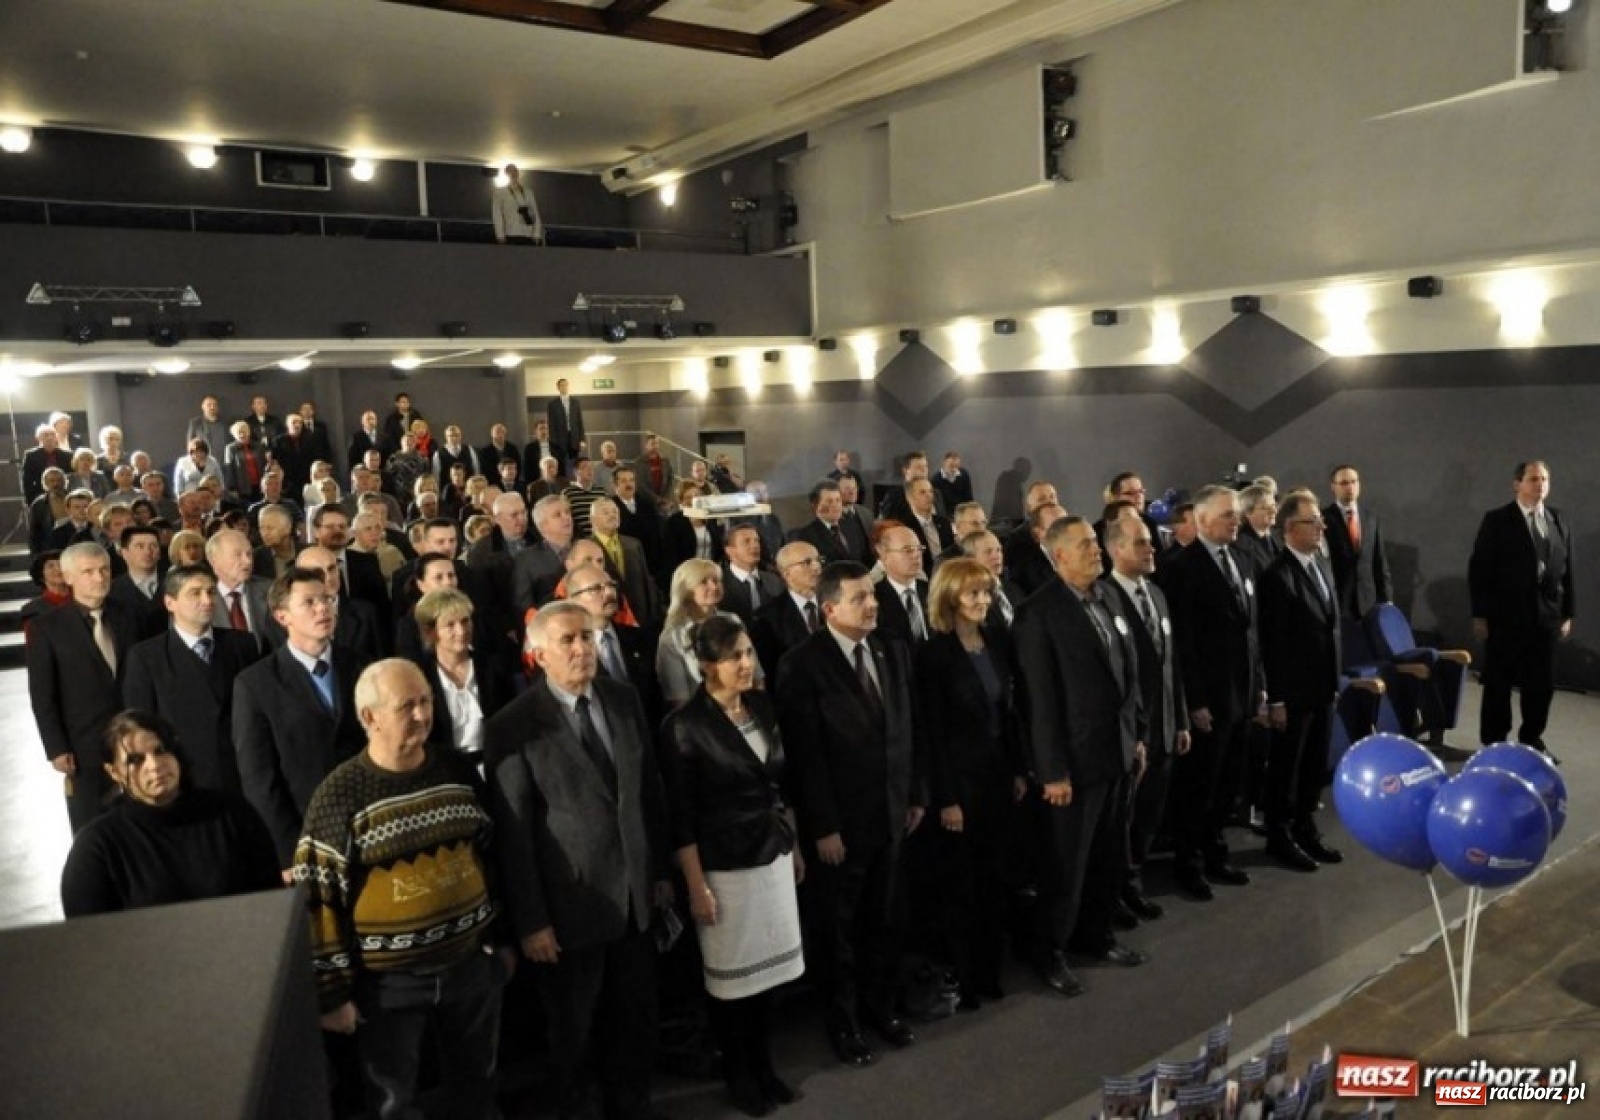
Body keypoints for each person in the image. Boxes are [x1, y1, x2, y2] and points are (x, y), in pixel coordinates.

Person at [295, 659, 512, 1120]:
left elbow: (491, 857)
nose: (421, 715)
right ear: (369, 717)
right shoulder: (338, 797)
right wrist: (332, 996)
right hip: (388, 986)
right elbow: (320, 904)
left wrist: (500, 939)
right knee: (393, 1104)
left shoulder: (456, 770)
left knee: (478, 1088)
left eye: (426, 702)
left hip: (470, 967)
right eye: (406, 706)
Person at [484, 602, 671, 1120]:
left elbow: (647, 791)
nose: (582, 649)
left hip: (635, 898)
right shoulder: (513, 726)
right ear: (538, 653)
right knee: (575, 1031)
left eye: (587, 638)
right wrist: (532, 921)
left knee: (635, 1022)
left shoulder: (625, 699)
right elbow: (515, 836)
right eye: (567, 640)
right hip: (568, 910)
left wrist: (658, 873)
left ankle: (631, 1107)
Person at [775, 561, 923, 1068]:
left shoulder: (891, 649)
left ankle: (880, 1009)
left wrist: (914, 794)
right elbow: (805, 756)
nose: (873, 604)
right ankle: (843, 1022)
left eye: (873, 596)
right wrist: (824, 827)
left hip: (891, 814)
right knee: (838, 932)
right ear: (830, 607)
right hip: (841, 826)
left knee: (885, 921)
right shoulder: (802, 663)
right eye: (860, 598)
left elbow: (907, 726)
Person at [659, 615, 805, 1117]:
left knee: (767, 979)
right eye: (733, 657)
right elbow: (681, 817)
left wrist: (795, 844)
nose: (746, 664)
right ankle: (738, 1074)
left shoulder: (763, 704)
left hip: (773, 853)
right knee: (732, 983)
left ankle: (765, 1067)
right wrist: (696, 885)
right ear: (705, 666)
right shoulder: (684, 726)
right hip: (723, 865)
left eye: (747, 653)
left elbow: (778, 785)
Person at [1013, 517, 1147, 1000]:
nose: (1096, 550)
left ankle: (1097, 936)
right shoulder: (1038, 614)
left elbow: (1128, 674)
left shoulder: (1108, 596)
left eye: (1096, 542)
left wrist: (1138, 737)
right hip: (1071, 765)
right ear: (1059, 556)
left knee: (1108, 858)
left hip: (1115, 753)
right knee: (1065, 867)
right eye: (1086, 544)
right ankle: (1050, 952)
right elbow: (1039, 701)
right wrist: (1050, 770)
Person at [917, 558, 1022, 1009]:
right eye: (973, 594)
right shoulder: (934, 655)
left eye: (986, 592)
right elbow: (932, 732)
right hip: (959, 788)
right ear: (950, 599)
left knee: (996, 877)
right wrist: (946, 798)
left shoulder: (996, 639)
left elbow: (1008, 712)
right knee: (962, 887)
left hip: (998, 777)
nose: (982, 601)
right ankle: (965, 976)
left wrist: (1018, 769)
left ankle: (990, 969)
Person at [60, 710, 279, 917]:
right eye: (135, 760)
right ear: (114, 772)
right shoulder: (96, 848)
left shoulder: (232, 813)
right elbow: (88, 940)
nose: (154, 765)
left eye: (160, 751)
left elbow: (272, 901)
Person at [1163, 485, 1262, 901]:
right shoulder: (1182, 568)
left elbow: (1251, 633)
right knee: (1200, 786)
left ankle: (1216, 851)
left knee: (1228, 783)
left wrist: (1259, 687)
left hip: (1242, 693)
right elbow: (1184, 644)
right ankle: (1188, 862)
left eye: (1235, 514)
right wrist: (1196, 701)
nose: (1234, 521)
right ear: (1202, 521)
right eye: (1226, 515)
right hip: (1210, 698)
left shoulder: (1242, 559)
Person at [233, 567, 369, 870]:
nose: (323, 608)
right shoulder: (256, 684)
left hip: (370, 825)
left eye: (327, 599)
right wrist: (287, 851)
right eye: (309, 602)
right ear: (282, 617)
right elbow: (259, 779)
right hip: (308, 835)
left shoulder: (360, 665)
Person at [1101, 516, 1187, 921]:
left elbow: (1172, 667)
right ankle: (1117, 890)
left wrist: (1181, 718)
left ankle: (1134, 882)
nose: (1152, 548)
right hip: (1131, 735)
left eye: (1151, 542)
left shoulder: (1158, 593)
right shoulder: (1104, 598)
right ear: (1116, 550)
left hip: (1166, 726)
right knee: (1122, 821)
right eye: (1141, 543)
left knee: (1149, 815)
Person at [1257, 494, 1345, 872]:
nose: (1322, 527)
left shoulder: (1321, 564)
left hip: (1322, 686)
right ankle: (1280, 835)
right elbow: (1272, 643)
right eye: (1313, 522)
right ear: (1290, 528)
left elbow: (1329, 627)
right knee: (1286, 767)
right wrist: (1274, 699)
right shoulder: (1277, 575)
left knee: (1313, 765)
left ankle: (1306, 828)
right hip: (1292, 692)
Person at [27, 542, 136, 832]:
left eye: (104, 570)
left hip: (133, 738)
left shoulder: (128, 616)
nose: (100, 578)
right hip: (82, 745)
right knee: (91, 824)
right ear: (68, 576)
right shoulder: (47, 628)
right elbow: (42, 695)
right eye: (89, 571)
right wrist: (56, 747)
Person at [123, 564, 261, 793]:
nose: (207, 600)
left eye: (210, 591)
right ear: (170, 603)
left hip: (241, 773)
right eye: (195, 593)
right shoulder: (146, 657)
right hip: (185, 777)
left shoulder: (242, 644)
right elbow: (141, 725)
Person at [1468, 459, 1575, 755]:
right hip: (1505, 618)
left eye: (1544, 478)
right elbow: (1480, 570)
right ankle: (1494, 743)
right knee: (1498, 684)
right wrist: (1480, 615)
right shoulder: (1497, 520)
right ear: (1517, 484)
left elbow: (1567, 571)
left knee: (1541, 685)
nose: (1540, 484)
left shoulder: (1558, 520)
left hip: (1546, 619)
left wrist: (1567, 613)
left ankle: (1532, 739)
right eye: (1533, 479)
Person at [413, 588, 510, 761]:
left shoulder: (493, 668)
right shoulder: (419, 676)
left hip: (496, 761)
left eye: (465, 621)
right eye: (450, 625)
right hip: (444, 767)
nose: (461, 631)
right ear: (430, 632)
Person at [657, 558, 763, 711]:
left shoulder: (733, 620)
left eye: (716, 580)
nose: (713, 586)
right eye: (704, 582)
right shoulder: (672, 637)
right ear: (685, 589)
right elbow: (678, 698)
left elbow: (757, 676)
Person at [1322, 464, 1393, 623]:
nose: (1350, 487)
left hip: (1369, 602)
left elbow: (1379, 562)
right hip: (1339, 602)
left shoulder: (1371, 519)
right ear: (1333, 487)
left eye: (1354, 482)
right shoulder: (1324, 519)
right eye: (1344, 483)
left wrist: (1387, 600)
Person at [751, 541, 822, 679]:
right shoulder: (767, 618)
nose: (817, 567)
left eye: (818, 560)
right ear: (786, 573)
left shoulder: (835, 603)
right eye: (807, 562)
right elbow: (772, 672)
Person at [788, 479, 868, 566]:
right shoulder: (805, 536)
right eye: (829, 501)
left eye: (838, 500)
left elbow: (864, 558)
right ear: (815, 505)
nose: (835, 505)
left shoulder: (851, 526)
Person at [720, 523, 782, 626]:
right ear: (730, 551)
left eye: (757, 541)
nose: (755, 546)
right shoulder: (719, 584)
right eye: (746, 541)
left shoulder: (775, 581)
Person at [20, 549, 71, 632]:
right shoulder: (32, 609)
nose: (58, 569)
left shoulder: (83, 600)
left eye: (61, 565)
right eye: (51, 566)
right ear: (41, 575)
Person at [492, 162, 543, 244]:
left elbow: (535, 212)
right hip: (510, 233)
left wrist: (537, 234)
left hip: (528, 233)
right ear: (506, 174)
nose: (513, 174)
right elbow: (497, 215)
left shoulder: (528, 192)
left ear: (518, 173)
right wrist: (500, 235)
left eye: (515, 171)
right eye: (510, 172)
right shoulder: (500, 192)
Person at [547, 376, 585, 471]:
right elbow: (551, 424)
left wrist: (582, 439)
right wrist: (553, 441)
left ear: (568, 386)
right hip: (559, 438)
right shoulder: (552, 404)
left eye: (565, 385)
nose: (564, 387)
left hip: (574, 437)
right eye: (561, 385)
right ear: (558, 387)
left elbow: (579, 421)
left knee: (575, 462)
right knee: (561, 462)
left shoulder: (575, 402)